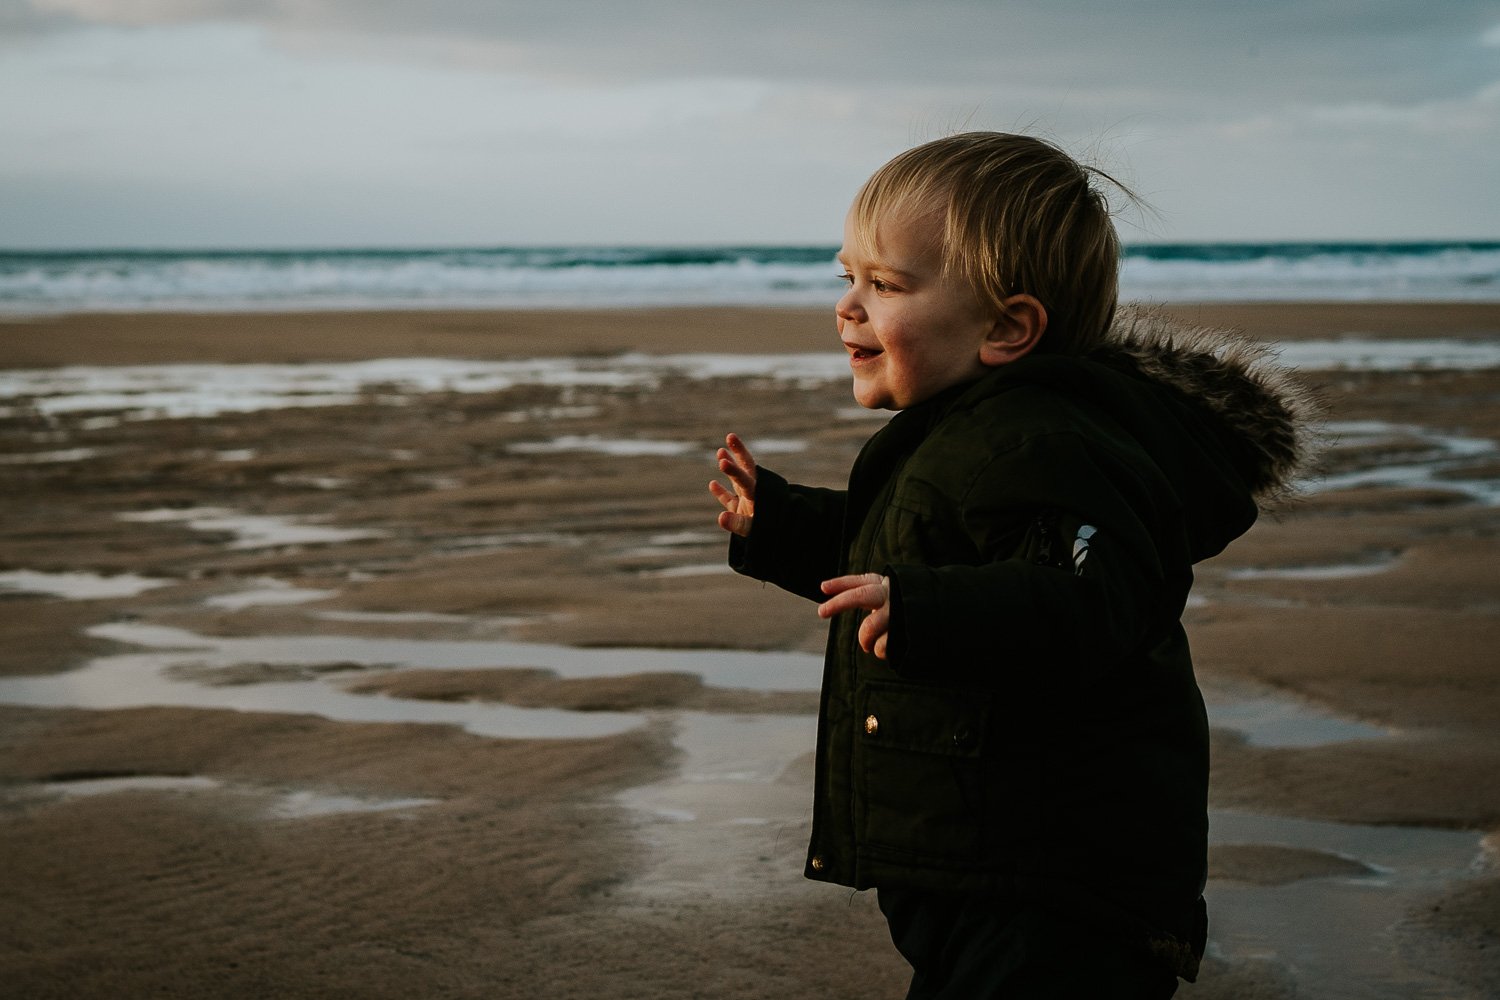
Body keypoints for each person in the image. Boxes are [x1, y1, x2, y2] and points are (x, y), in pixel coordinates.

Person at [708, 132, 1318, 998]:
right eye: (846, 276)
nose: (848, 307)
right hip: (989, 861)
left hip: (1060, 883)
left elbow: (1088, 599)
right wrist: (781, 525)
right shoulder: (975, 433)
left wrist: (925, 608)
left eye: (885, 285)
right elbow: (912, 548)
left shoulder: (1049, 443)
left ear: (1006, 326)